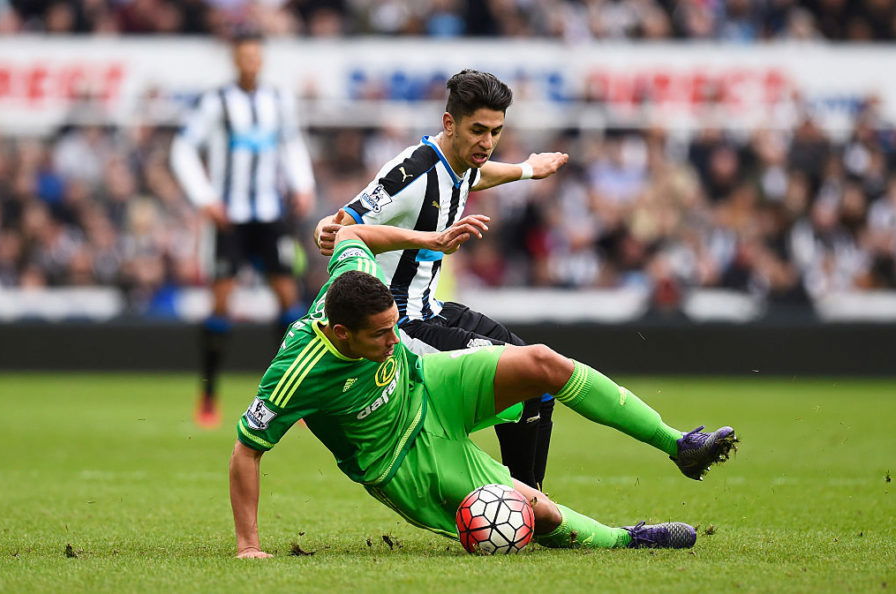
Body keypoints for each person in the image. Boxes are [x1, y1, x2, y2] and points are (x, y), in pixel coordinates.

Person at [229, 219, 738, 558]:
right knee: (539, 513)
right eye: (380, 333)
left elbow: (350, 236)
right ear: (341, 334)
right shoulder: (297, 370)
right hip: (404, 459)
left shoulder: (355, 282)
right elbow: (246, 452)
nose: (392, 337)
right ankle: (627, 540)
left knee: (541, 361)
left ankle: (680, 445)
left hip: (429, 385)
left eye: (393, 326)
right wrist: (248, 545)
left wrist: (427, 241)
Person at [312, 69, 568, 490]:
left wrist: (526, 170)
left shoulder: (463, 160)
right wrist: (326, 225)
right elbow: (341, 230)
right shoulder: (409, 173)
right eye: (478, 130)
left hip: (434, 310)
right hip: (403, 326)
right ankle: (529, 508)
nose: (487, 143)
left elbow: (475, 176)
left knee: (541, 377)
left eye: (496, 132)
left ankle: (529, 502)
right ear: (449, 124)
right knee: (525, 379)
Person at [171, 29, 316, 428]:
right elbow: (182, 149)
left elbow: (291, 144)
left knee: (289, 300)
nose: (251, 62)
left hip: (269, 216)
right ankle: (208, 395)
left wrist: (303, 186)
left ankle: (292, 397)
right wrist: (205, 199)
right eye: (244, 56)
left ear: (261, 59)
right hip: (229, 217)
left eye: (256, 56)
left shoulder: (278, 100)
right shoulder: (216, 101)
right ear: (235, 60)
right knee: (221, 303)